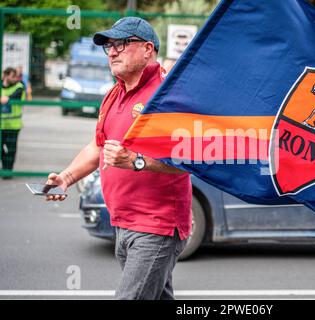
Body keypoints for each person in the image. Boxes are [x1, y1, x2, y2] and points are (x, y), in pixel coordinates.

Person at [45, 17, 192, 300]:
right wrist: (66, 178)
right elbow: (97, 146)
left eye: (122, 44)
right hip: (123, 222)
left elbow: (188, 160)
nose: (112, 51)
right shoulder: (114, 93)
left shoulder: (168, 96)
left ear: (148, 49)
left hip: (156, 226)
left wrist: (137, 161)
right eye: (109, 46)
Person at [1, 67, 26, 178]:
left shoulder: (19, 86)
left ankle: (7, 171)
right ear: (5, 76)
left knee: (11, 150)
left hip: (13, 125)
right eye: (12, 76)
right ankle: (5, 167)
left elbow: (17, 95)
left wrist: (7, 98)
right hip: (1, 126)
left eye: (16, 76)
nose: (15, 79)